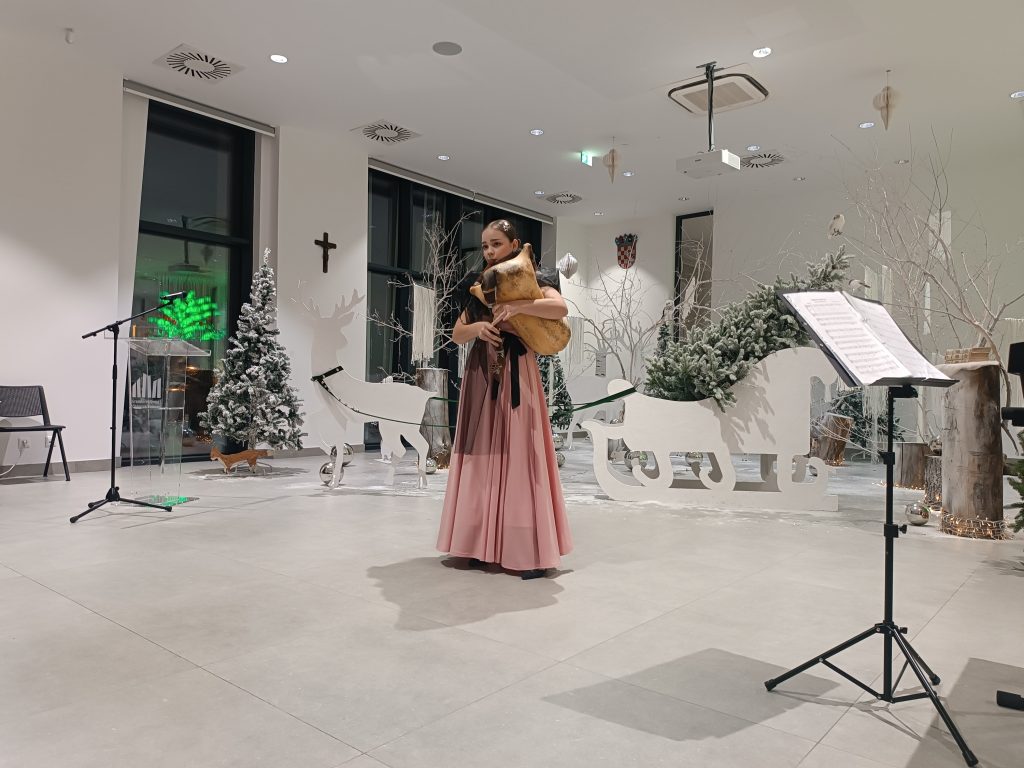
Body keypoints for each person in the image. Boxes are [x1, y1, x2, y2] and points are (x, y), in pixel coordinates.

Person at [436, 219, 573, 579]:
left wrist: (521, 306)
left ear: (514, 244)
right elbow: (457, 333)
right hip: (482, 374)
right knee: (481, 457)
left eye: (495, 243)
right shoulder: (480, 282)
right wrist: (479, 328)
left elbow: (559, 309)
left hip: (517, 371)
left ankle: (527, 550)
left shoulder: (536, 277)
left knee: (521, 455)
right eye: (484, 245)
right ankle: (477, 544)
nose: (489, 251)